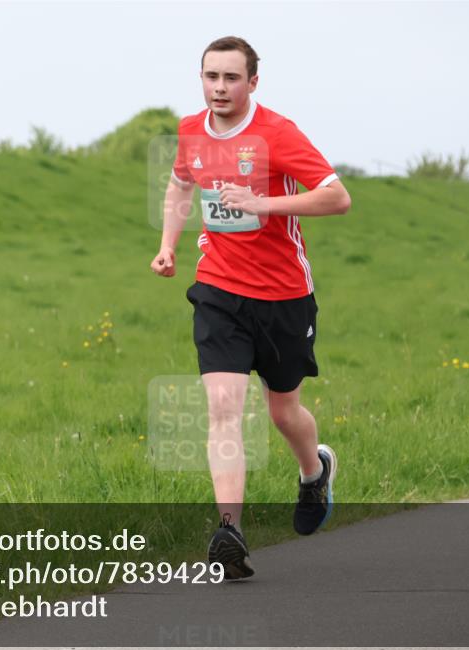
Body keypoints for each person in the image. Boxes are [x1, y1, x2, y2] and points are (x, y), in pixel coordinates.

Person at [150, 36, 351, 578]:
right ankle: (229, 531)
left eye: (231, 78)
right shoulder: (191, 130)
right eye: (211, 76)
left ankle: (314, 471)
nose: (220, 87)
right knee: (222, 408)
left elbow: (337, 196)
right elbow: (178, 189)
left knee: (285, 411)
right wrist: (169, 244)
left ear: (252, 83)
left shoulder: (278, 133)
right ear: (201, 79)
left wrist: (264, 202)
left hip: (284, 295)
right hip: (218, 289)